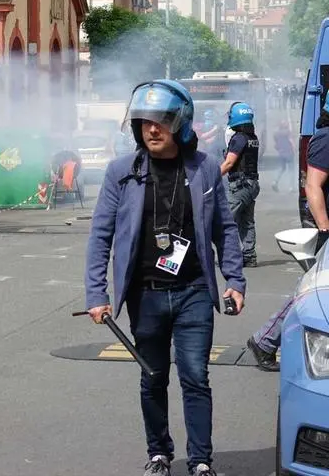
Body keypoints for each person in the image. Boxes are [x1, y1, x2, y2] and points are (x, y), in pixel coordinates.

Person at [84, 80, 246, 476]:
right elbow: (100, 235)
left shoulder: (205, 167)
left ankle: (201, 460)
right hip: (146, 296)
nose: (151, 129)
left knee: (195, 376)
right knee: (153, 377)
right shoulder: (122, 172)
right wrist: (96, 293)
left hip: (193, 292)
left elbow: (225, 228)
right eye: (144, 122)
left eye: (160, 121)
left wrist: (235, 280)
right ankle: (159, 453)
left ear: (180, 124)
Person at [246, 78, 329, 371]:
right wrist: (325, 230)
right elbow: (313, 185)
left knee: (320, 290)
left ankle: (269, 340)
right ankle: (265, 341)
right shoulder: (327, 139)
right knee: (313, 290)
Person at [219, 102, 260, 268]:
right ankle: (249, 256)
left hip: (240, 185)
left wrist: (211, 177)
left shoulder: (239, 138)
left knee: (226, 221)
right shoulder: (252, 138)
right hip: (252, 185)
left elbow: (229, 163)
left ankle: (228, 257)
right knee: (247, 222)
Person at [272, 120, 294, 192]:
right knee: (291, 170)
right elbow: (291, 141)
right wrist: (294, 149)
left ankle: (275, 182)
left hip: (281, 153)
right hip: (289, 152)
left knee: (282, 168)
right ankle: (291, 187)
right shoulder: (287, 132)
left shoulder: (276, 133)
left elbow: (276, 142)